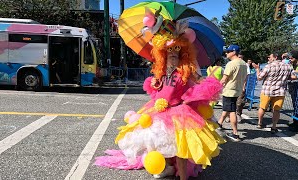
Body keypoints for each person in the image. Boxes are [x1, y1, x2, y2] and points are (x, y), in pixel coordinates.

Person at [95, 13, 225, 180]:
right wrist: (156, 85)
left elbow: (199, 81)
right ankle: (167, 167)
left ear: (182, 51)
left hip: (179, 112)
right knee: (157, 142)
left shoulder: (187, 69)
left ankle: (183, 177)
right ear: (163, 52)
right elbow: (159, 89)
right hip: (158, 110)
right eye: (169, 49)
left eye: (176, 49)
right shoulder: (161, 70)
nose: (172, 53)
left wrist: (210, 80)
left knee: (181, 149)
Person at [253, 53, 296, 134]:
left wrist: (257, 69)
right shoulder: (288, 66)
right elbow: (293, 77)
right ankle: (274, 127)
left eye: (270, 57)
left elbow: (259, 78)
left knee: (262, 107)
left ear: (275, 57)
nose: (269, 58)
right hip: (280, 91)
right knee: (276, 110)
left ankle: (260, 123)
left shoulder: (269, 66)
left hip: (267, 90)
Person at [217, 45, 248, 142]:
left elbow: (224, 79)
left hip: (229, 90)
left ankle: (235, 133)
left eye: (228, 51)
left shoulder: (231, 64)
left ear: (234, 52)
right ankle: (219, 123)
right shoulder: (243, 63)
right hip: (237, 90)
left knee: (232, 111)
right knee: (228, 108)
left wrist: (215, 87)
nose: (226, 53)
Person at [288, 50, 298, 132]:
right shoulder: (291, 64)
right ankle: (295, 121)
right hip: (293, 86)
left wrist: (294, 71)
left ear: (296, 58)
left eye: (292, 57)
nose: (290, 59)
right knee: (295, 105)